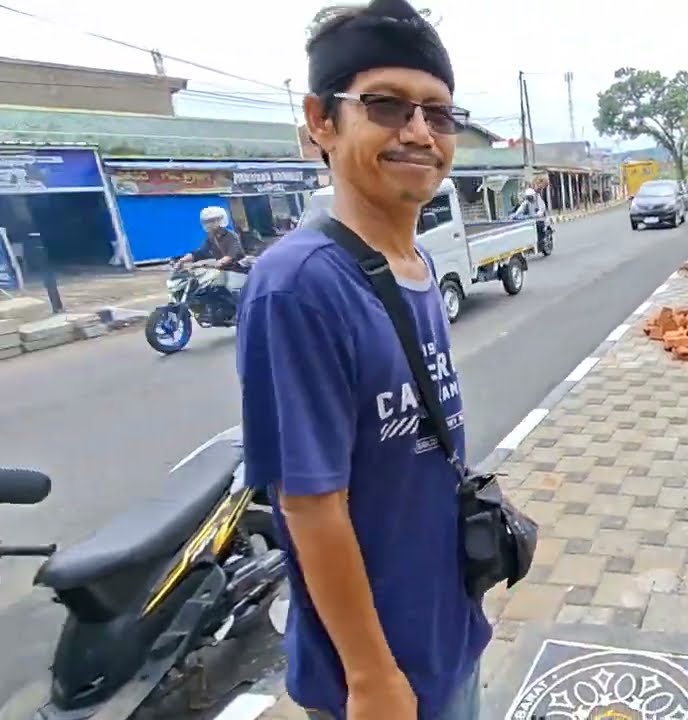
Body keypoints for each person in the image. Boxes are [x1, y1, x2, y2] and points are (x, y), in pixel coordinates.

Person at [235, 1, 487, 719]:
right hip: (381, 676)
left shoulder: (415, 263)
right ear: (322, 120)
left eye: (438, 113)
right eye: (386, 106)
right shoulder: (299, 285)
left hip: (447, 632)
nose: (419, 132)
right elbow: (310, 503)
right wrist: (372, 677)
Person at [179, 206, 244, 268]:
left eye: (211, 221)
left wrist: (214, 264)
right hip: (224, 268)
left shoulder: (232, 236)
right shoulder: (212, 236)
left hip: (238, 268)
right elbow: (201, 252)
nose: (208, 224)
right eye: (207, 222)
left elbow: (230, 257)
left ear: (219, 220)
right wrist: (183, 260)